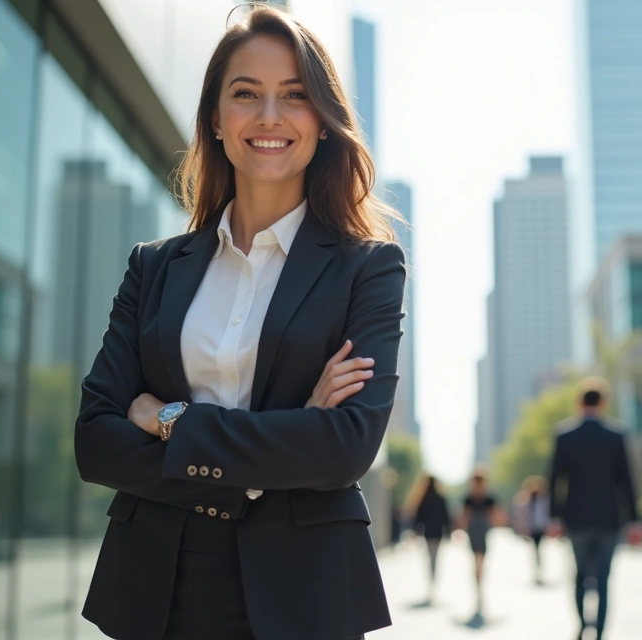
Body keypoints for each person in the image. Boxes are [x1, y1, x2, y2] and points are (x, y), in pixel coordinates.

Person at [73, 6, 407, 639]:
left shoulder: (369, 268)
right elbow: (96, 440)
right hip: (155, 587)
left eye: (295, 96)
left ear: (323, 124)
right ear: (216, 122)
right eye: (246, 94)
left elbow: (346, 447)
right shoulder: (154, 268)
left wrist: (170, 421)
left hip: (304, 591)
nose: (270, 117)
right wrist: (289, 439)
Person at [547, 381, 642, 640]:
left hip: (575, 519)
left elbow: (555, 479)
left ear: (580, 403)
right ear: (602, 403)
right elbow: (627, 481)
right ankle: (599, 632)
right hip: (609, 519)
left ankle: (582, 624)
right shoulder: (616, 436)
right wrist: (635, 521)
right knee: (603, 579)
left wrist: (554, 517)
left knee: (579, 576)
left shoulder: (565, 435)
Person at [459, 468, 505, 621]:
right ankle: (478, 587)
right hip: (473, 533)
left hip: (483, 533)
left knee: (481, 561)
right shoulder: (469, 499)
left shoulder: (489, 498)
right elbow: (465, 517)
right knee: (476, 561)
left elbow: (496, 516)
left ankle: (480, 585)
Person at [407, 473, 452, 604]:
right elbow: (446, 517)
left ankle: (431, 583)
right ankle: (433, 583)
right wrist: (448, 532)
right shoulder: (440, 498)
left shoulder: (424, 498)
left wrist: (415, 531)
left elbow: (418, 518)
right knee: (435, 558)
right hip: (437, 533)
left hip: (428, 533)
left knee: (430, 558)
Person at [512, 476, 551, 585]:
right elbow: (520, 515)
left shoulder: (544, 499)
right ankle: (537, 572)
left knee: (538, 550)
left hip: (541, 527)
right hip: (532, 528)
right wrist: (523, 528)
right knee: (535, 551)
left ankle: (539, 571)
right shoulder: (525, 499)